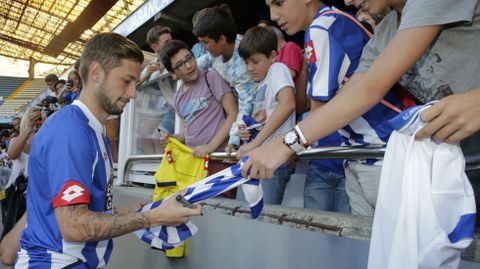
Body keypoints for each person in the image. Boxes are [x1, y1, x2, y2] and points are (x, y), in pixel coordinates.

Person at [242, 0, 480, 213]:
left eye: (279, 3)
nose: (348, 1)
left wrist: (285, 144)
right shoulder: (387, 29)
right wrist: (284, 143)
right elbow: (357, 89)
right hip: (456, 164)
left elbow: (370, 89)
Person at [15, 33, 202, 268]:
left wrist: (130, 212)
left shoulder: (92, 129)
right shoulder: (71, 132)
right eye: (127, 81)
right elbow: (73, 226)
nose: (133, 92)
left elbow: (85, 208)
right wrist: (153, 217)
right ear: (96, 73)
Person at [235, 26, 296, 205]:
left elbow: (288, 104)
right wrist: (248, 133)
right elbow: (265, 117)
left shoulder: (277, 69)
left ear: (272, 55)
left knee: (262, 217)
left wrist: (255, 143)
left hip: (273, 159)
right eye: (246, 62)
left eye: (255, 61)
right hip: (258, 158)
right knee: (247, 214)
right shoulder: (260, 82)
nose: (250, 68)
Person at [158, 40, 238, 169]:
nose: (189, 65)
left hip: (219, 157)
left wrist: (211, 146)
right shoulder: (178, 98)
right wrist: (173, 138)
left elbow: (233, 113)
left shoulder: (210, 77)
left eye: (189, 58)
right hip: (194, 160)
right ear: (173, 74)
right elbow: (191, 128)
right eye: (180, 65)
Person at [194, 4, 257, 155]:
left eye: (206, 42)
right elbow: (195, 67)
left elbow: (246, 104)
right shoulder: (214, 54)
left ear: (222, 39)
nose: (204, 47)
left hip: (253, 119)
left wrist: (233, 140)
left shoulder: (244, 62)